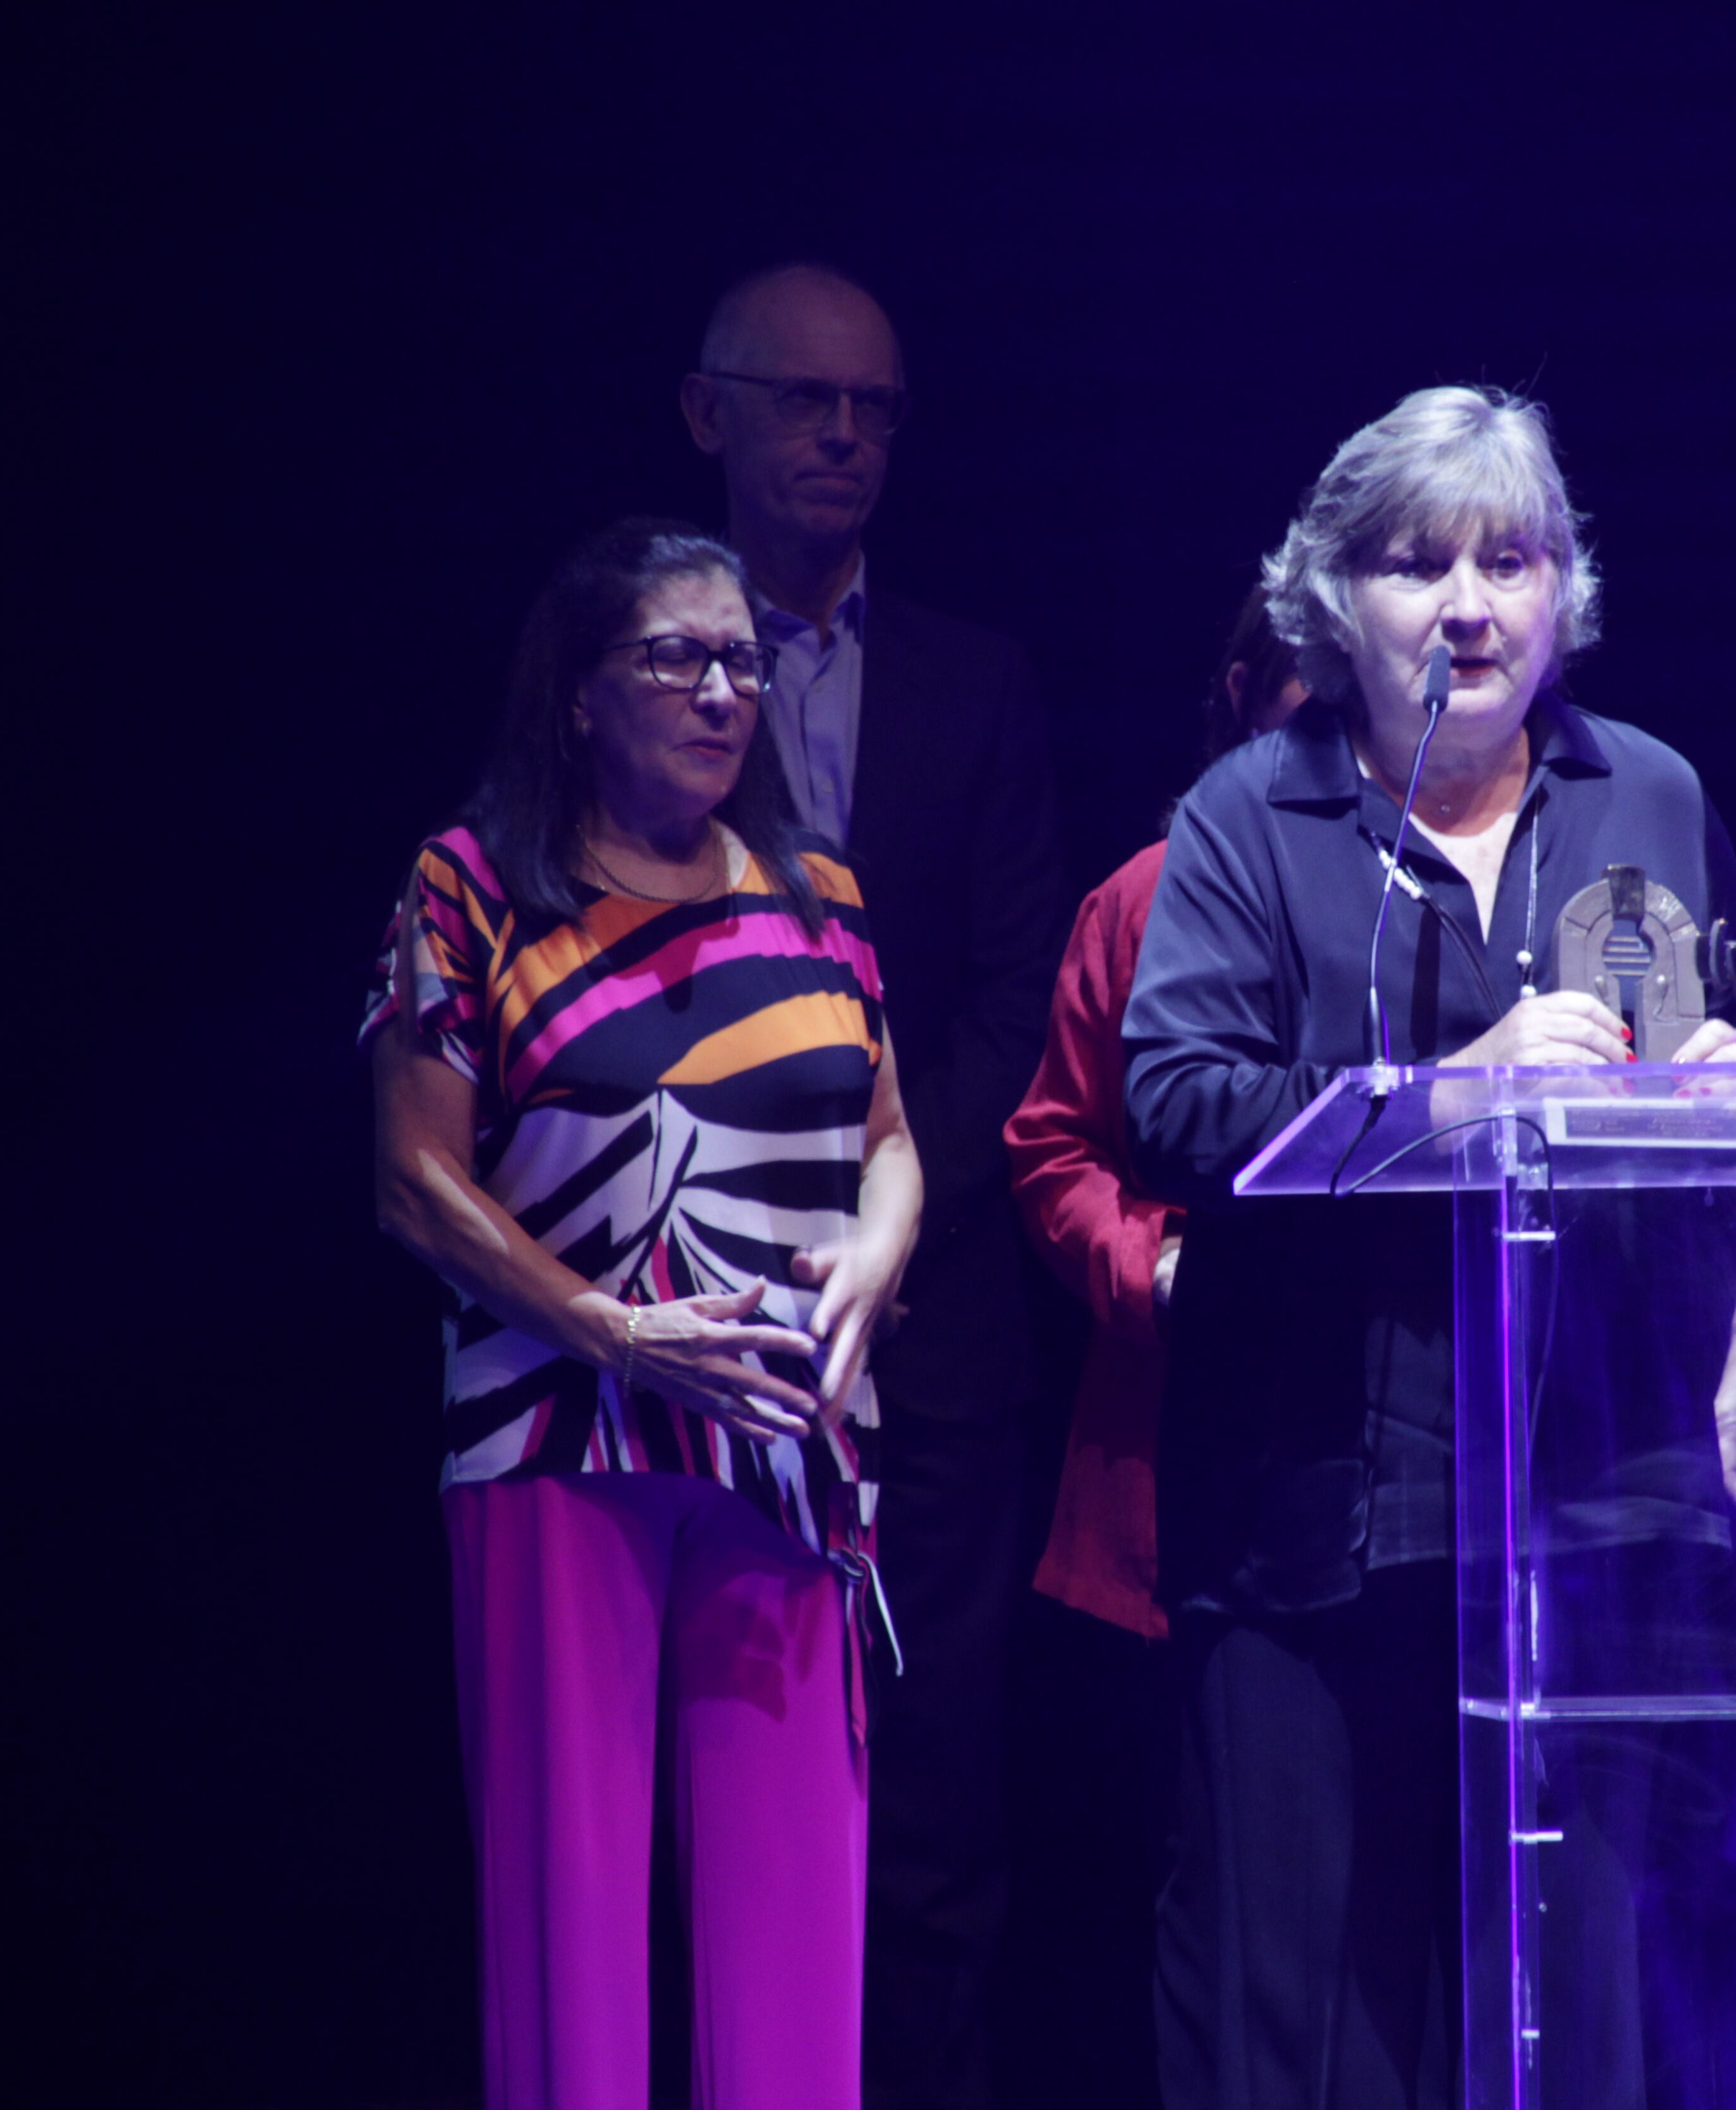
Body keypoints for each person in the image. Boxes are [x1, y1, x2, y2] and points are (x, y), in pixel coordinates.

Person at [1120, 385, 1736, 2110]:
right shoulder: (1250, 815)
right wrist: (1445, 1095)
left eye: (1513, 560)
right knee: (1318, 2019)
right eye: (1419, 565)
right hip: (1317, 1514)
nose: (1470, 606)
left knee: (1582, 2009)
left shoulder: (1649, 792)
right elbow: (1176, 1100)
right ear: (1334, 600)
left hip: (1602, 1505)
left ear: (1565, 591)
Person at [366, 517, 921, 2110]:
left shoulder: (819, 891)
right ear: (580, 692)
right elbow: (411, 1179)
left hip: (783, 1439)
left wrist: (879, 1253)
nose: (721, 690)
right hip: (560, 1435)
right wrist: (613, 1331)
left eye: (741, 659)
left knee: (796, 1927)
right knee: (574, 1927)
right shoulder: (474, 884)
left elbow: (891, 1139)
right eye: (677, 657)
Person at [681, 261, 1068, 2110]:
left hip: (937, 1322)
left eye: (876, 410)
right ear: (709, 414)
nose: (844, 437)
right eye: (805, 400)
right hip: (681, 1313)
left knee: (929, 1802)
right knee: (710, 1775)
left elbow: (1014, 1000)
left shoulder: (977, 682)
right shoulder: (632, 661)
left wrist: (883, 1216)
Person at [1007, 589, 1306, 1642]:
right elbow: (1053, 1147)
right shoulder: (1146, 897)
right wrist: (1156, 1266)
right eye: (1313, 706)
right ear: (1245, 697)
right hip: (1166, 1443)